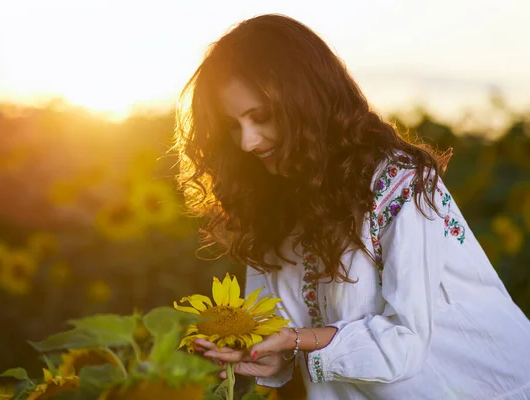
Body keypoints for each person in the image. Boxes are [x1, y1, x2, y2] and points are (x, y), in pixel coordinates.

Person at [173, 13, 530, 400]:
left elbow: (403, 340)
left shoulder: (398, 180)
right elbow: (289, 338)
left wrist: (295, 340)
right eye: (232, 125)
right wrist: (264, 353)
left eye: (262, 117)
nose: (247, 142)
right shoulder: (266, 203)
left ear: (306, 103)